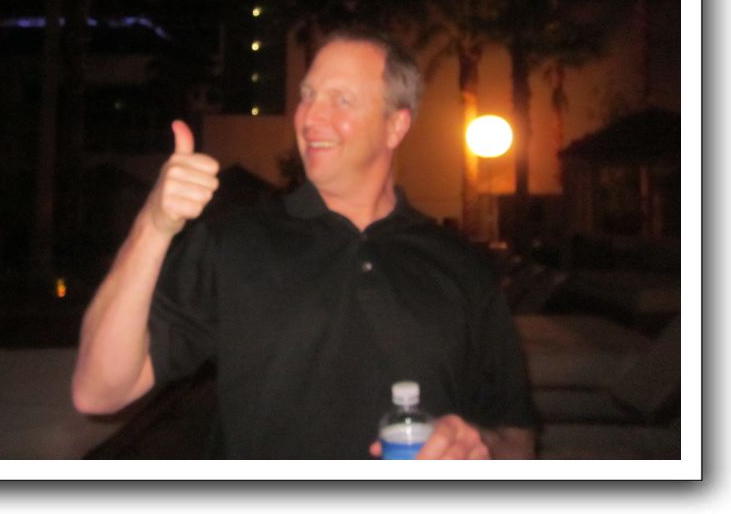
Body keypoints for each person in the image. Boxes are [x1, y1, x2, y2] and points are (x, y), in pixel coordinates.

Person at [72, 27, 537, 459]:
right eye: (308, 95)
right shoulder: (232, 242)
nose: (311, 116)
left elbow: (518, 437)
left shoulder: (461, 265)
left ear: (396, 126)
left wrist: (479, 449)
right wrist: (153, 225)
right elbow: (99, 390)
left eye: (341, 100)